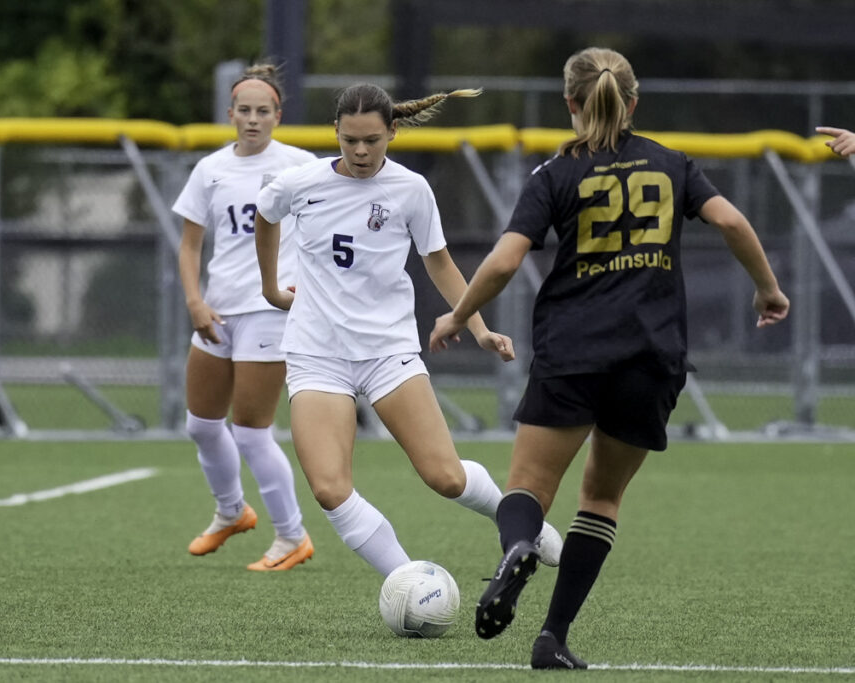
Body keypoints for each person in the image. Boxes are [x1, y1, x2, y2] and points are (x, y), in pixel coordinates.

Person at [430, 47, 790, 669]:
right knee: (599, 500)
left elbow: (507, 260)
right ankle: (553, 637)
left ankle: (518, 547)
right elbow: (730, 221)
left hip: (574, 350)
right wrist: (767, 287)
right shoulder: (671, 163)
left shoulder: (555, 175)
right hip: (652, 356)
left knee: (528, 490)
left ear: (571, 103)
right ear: (634, 101)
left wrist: (459, 317)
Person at [252, 82, 562, 579]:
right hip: (316, 353)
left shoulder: (411, 189)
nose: (359, 151)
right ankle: (409, 582)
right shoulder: (300, 183)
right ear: (335, 131)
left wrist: (476, 326)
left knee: (445, 477)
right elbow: (266, 218)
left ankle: (519, 518)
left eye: (371, 140)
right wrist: (270, 288)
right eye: (349, 139)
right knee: (330, 488)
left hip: (387, 351)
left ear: (393, 132)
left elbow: (439, 264)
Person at [171, 63, 316, 571]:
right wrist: (195, 300)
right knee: (201, 425)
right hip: (219, 309)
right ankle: (232, 511)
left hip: (270, 308)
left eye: (263, 111)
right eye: (244, 110)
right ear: (230, 113)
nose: (253, 119)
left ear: (278, 115)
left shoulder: (301, 166)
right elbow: (190, 247)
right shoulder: (210, 169)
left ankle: (292, 536)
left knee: (252, 430)